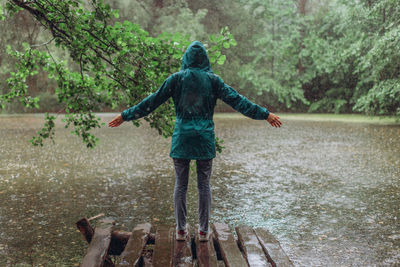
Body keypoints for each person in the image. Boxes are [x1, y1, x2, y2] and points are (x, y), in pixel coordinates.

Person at [109, 41, 282, 242]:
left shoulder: (176, 79)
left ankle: (181, 231)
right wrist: (265, 114)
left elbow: (152, 102)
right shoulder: (213, 80)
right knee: (204, 185)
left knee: (181, 185)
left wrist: (125, 115)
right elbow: (238, 101)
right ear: (205, 59)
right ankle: (203, 232)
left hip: (182, 137)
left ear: (186, 59)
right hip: (204, 138)